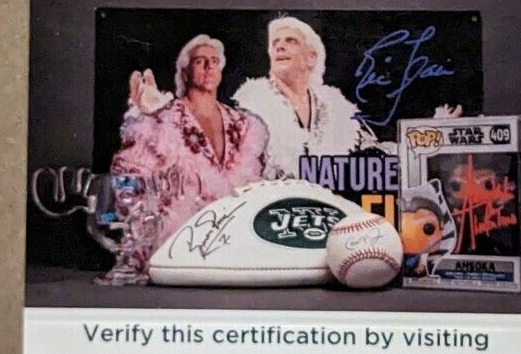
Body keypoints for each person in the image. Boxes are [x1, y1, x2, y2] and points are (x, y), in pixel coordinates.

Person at [114, 35, 268, 234]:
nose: (209, 66)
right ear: (185, 73)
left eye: (215, 61)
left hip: (233, 236)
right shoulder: (162, 117)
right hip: (177, 238)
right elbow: (127, 178)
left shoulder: (243, 125)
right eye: (200, 61)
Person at [231, 16, 377, 178]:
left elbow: (375, 152)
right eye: (275, 43)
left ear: (311, 58)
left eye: (291, 41)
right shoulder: (250, 108)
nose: (280, 47)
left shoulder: (338, 110)